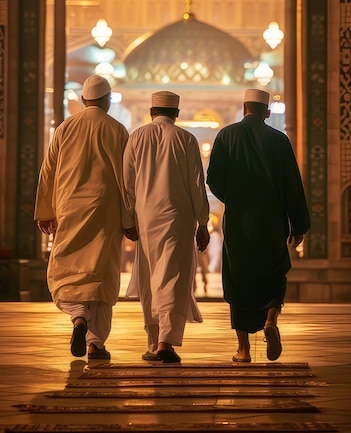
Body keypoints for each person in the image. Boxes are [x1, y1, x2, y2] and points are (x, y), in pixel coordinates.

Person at [207, 89, 310, 363]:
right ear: (267, 112)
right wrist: (299, 224)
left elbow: (213, 178)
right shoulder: (279, 140)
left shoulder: (227, 135)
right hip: (272, 221)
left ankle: (243, 350)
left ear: (244, 109)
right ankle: (270, 320)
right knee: (274, 273)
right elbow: (292, 185)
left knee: (238, 279)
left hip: (240, 222)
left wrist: (235, 198)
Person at [34, 74, 133, 361]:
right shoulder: (117, 130)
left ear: (82, 100)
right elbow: (127, 180)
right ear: (108, 100)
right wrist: (129, 220)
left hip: (69, 208)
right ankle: (95, 344)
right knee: (100, 274)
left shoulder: (65, 128)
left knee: (66, 268)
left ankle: (78, 317)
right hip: (105, 211)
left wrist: (45, 211)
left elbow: (48, 171)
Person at [123, 90, 210, 363]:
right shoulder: (186, 138)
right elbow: (198, 185)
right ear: (177, 114)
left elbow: (127, 184)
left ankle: (154, 342)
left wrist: (127, 221)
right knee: (173, 276)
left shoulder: (137, 136)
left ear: (151, 112)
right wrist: (203, 222)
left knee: (150, 277)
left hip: (146, 218)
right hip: (179, 218)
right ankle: (165, 342)